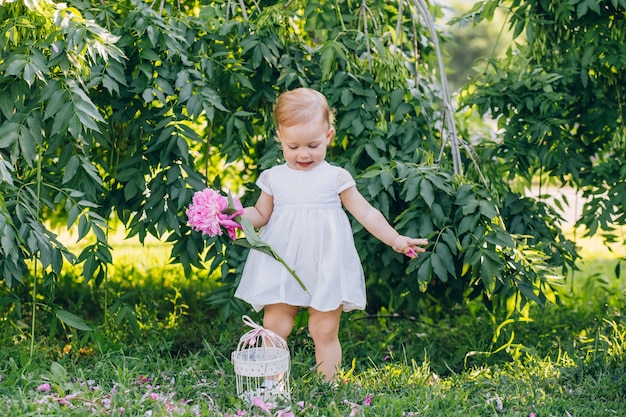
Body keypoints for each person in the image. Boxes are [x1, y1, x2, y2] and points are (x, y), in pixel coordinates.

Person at [234, 87, 428, 381]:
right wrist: (232, 214)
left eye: (312, 145)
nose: (303, 154)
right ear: (280, 140)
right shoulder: (273, 177)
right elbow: (260, 215)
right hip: (283, 263)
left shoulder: (335, 177)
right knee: (274, 325)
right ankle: (272, 385)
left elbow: (365, 213)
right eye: (293, 146)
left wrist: (395, 239)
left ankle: (329, 384)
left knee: (324, 329)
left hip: (325, 264)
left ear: (329, 136)